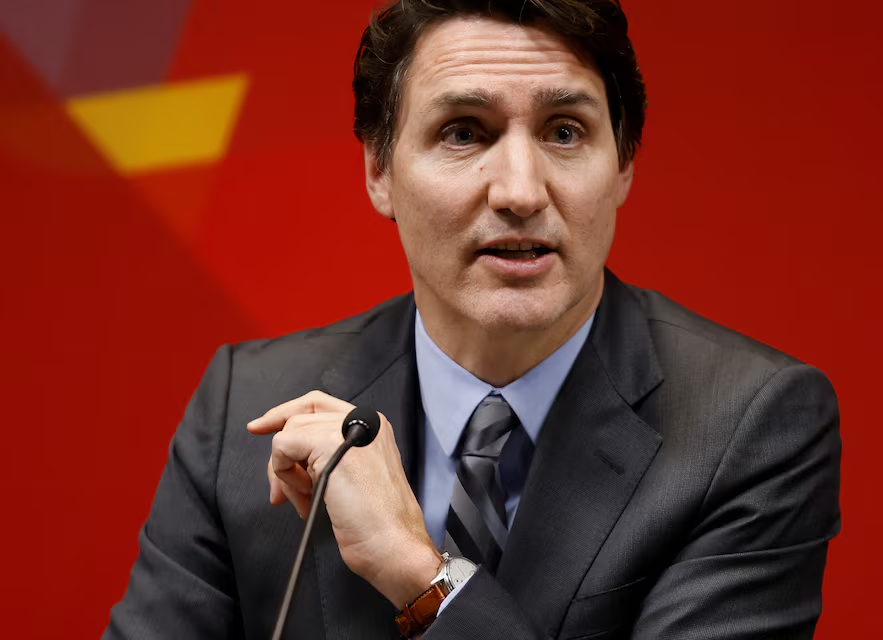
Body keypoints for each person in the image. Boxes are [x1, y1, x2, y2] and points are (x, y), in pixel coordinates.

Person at [104, 1, 841, 638]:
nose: (520, 191)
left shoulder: (749, 425)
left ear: (623, 167)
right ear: (379, 173)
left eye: (564, 131)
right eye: (463, 131)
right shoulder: (246, 404)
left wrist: (420, 575)